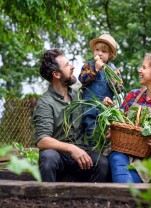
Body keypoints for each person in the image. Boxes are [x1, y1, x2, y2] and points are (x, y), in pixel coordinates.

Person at [33, 48, 110, 182]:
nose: (73, 67)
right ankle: (47, 200)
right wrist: (71, 148)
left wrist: (105, 116)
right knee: (48, 157)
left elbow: (91, 122)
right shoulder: (45, 103)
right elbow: (42, 140)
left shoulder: (78, 96)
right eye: (68, 65)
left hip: (81, 154)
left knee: (102, 163)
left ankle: (92, 201)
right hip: (59, 156)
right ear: (56, 74)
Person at [106, 52, 151, 183]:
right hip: (124, 151)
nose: (139, 70)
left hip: (149, 160)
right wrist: (111, 113)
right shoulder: (133, 96)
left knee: (126, 176)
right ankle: (126, 199)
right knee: (116, 156)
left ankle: (123, 199)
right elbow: (119, 122)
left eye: (144, 67)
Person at [78, 34, 123, 147]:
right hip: (89, 107)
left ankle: (103, 151)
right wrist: (96, 69)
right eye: (97, 50)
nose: (99, 53)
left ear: (110, 55)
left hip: (105, 109)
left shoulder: (114, 70)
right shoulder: (88, 66)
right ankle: (93, 150)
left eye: (104, 51)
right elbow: (82, 79)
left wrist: (113, 81)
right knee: (91, 132)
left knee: (105, 133)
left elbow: (119, 90)